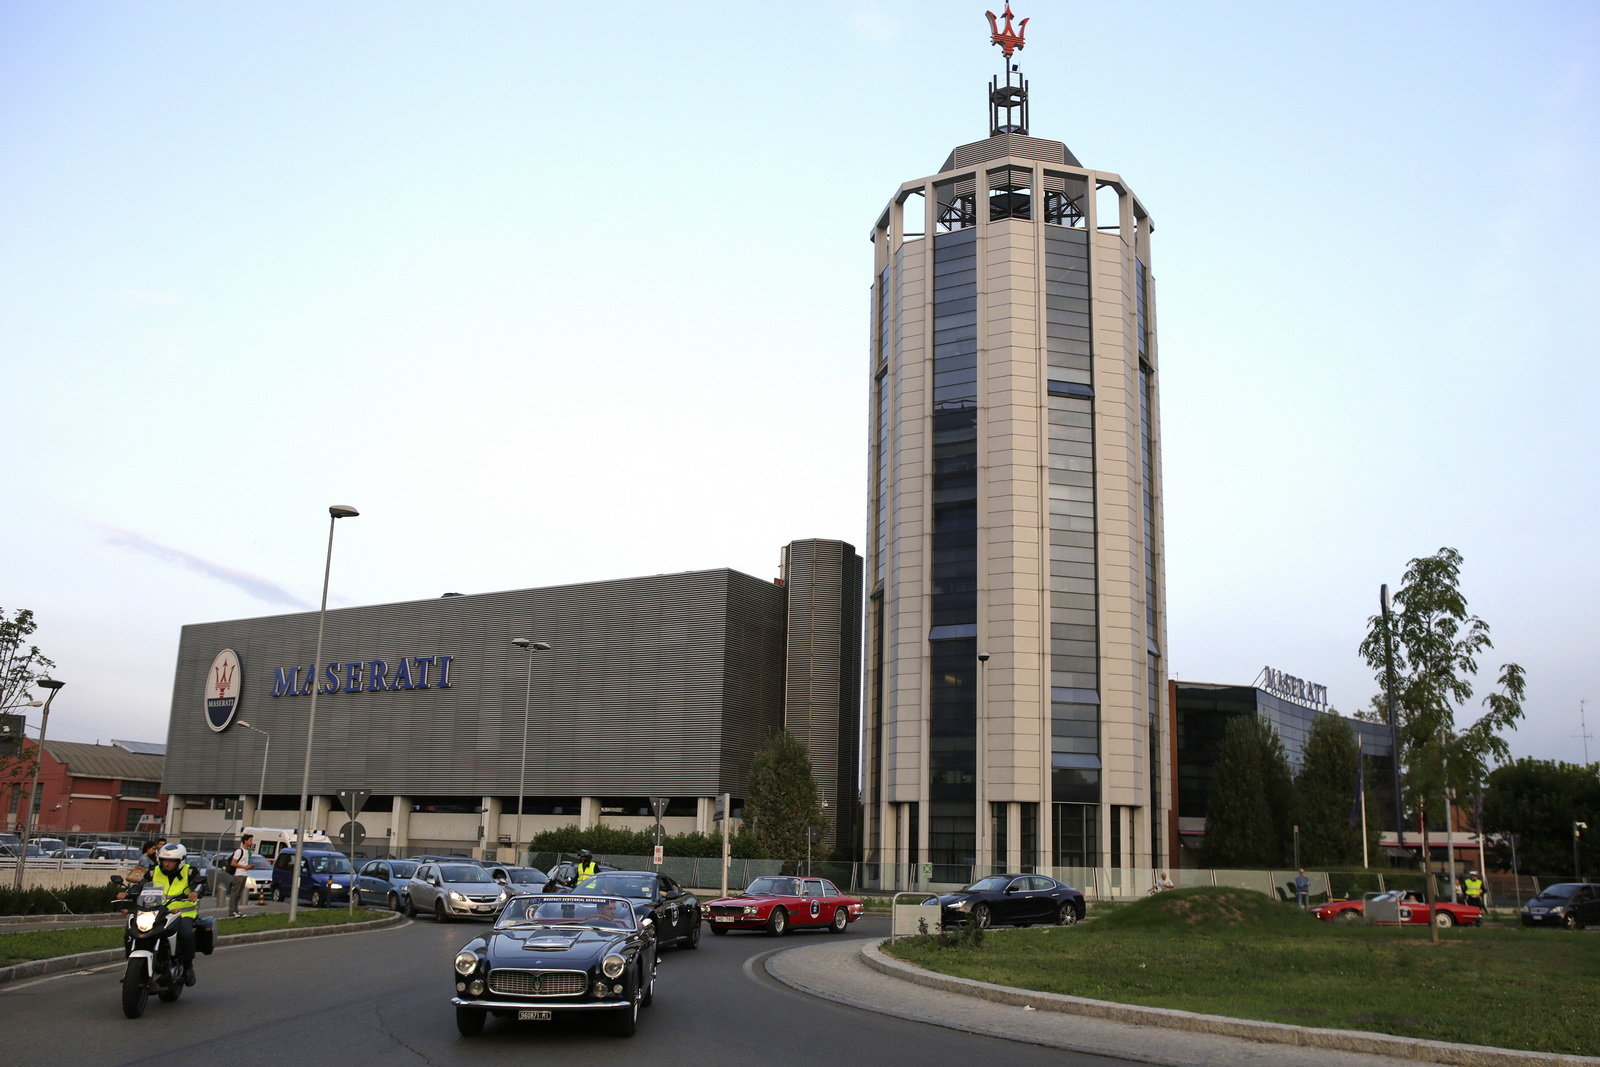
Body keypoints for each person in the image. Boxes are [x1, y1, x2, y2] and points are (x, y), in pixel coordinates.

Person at [147, 842, 204, 986]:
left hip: (183, 913)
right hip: (157, 912)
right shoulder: (153, 871)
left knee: (186, 933)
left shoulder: (190, 871)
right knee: (133, 928)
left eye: (171, 861)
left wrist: (195, 892)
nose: (167, 864)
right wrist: (128, 892)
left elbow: (200, 885)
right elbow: (141, 883)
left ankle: (188, 966)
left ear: (180, 861)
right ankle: (134, 962)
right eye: (164, 860)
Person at [225, 833, 255, 918]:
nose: (251, 842)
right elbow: (233, 863)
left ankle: (236, 910)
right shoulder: (239, 851)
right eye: (250, 840)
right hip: (238, 874)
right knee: (234, 893)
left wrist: (248, 867)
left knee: (239, 894)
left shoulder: (248, 852)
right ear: (245, 841)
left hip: (244, 874)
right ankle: (232, 912)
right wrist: (244, 867)